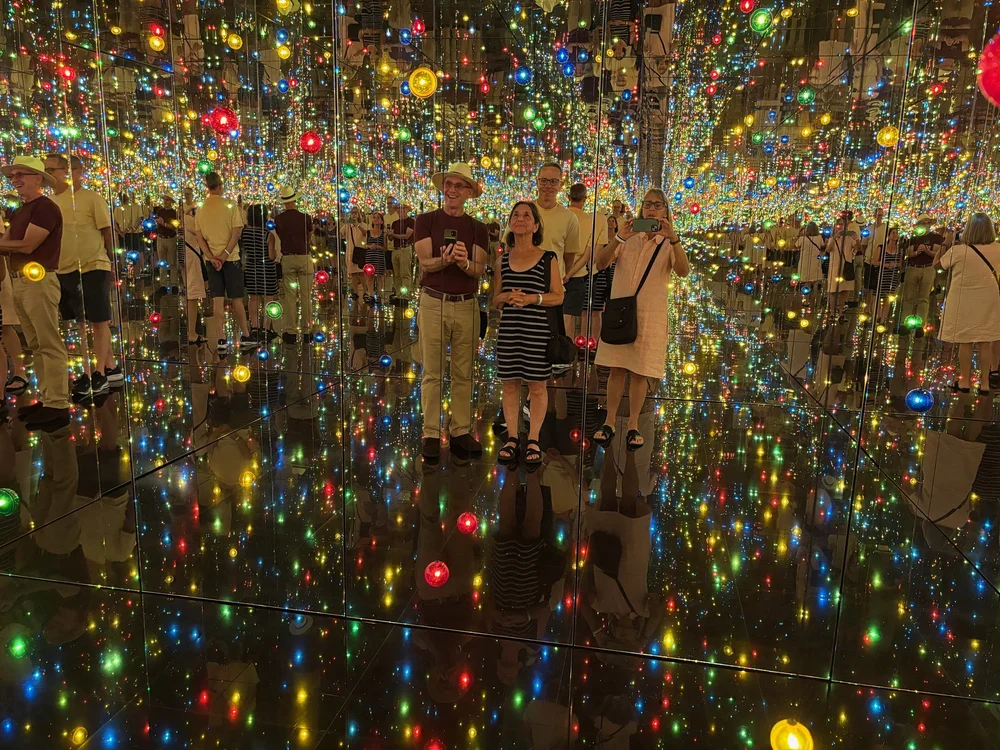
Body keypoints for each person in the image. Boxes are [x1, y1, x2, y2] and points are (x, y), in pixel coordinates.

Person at [592, 188, 689, 451]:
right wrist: (619, 238)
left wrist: (674, 239)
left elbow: (683, 271)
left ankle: (633, 423)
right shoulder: (628, 236)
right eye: (647, 205)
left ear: (666, 211)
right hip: (620, 313)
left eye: (658, 205)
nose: (651, 209)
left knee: (639, 372)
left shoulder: (669, 242)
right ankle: (610, 420)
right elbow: (600, 264)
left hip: (651, 315)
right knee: (616, 369)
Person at [415, 162, 488, 462]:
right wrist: (445, 260)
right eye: (449, 184)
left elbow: (480, 269)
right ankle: (430, 431)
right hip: (433, 302)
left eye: (459, 185)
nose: (452, 190)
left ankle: (460, 429)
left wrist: (464, 263)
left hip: (467, 304)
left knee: (463, 372)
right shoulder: (426, 220)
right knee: (432, 371)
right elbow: (424, 263)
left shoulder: (478, 228)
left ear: (468, 192)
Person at [0, 155, 71, 429]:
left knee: (48, 342)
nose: (15, 180)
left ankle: (58, 404)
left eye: (20, 175)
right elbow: (9, 242)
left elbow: (27, 245)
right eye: (12, 176)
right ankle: (48, 398)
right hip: (22, 281)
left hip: (38, 281)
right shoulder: (22, 210)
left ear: (38, 179)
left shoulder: (46, 208)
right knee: (37, 343)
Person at [45, 154, 122, 401]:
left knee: (98, 320)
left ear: (73, 171)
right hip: (64, 268)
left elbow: (107, 232)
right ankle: (108, 366)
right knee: (79, 321)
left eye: (52, 170)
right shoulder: (50, 202)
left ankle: (96, 372)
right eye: (45, 170)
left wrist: (112, 262)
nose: (49, 175)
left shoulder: (91, 198)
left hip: (93, 265)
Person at [493, 201, 564, 466]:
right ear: (510, 223)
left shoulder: (548, 258)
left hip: (537, 331)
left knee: (537, 386)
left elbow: (558, 296)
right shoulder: (502, 260)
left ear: (536, 225)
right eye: (516, 214)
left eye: (526, 215)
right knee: (510, 385)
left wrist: (533, 298)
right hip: (510, 331)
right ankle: (512, 437)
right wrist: (506, 297)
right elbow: (494, 300)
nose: (520, 219)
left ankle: (533, 437)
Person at [934, 212, 1000, 393]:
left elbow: (936, 265)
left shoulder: (958, 251)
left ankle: (964, 382)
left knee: (966, 341)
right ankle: (985, 383)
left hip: (963, 299)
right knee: (985, 341)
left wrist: (946, 242)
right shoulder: (998, 249)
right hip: (989, 299)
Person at [191, 171, 255, 356]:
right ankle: (245, 335)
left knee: (217, 299)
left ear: (207, 187)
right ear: (220, 186)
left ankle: (220, 338)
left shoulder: (201, 209)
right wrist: (225, 255)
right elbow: (236, 232)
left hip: (211, 261)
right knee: (237, 299)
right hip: (231, 259)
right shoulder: (230, 205)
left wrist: (212, 257)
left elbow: (200, 237)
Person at [563, 183, 610, 348]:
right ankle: (567, 353)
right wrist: (569, 274)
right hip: (579, 275)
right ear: (585, 199)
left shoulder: (561, 216)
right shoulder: (592, 221)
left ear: (568, 197)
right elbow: (589, 256)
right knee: (569, 316)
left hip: (554, 272)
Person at [272, 185, 314, 343]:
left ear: (283, 202)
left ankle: (290, 331)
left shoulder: (279, 219)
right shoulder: (305, 217)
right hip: (304, 257)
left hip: (288, 258)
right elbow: (309, 235)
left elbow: (280, 236)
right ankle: (307, 330)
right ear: (295, 200)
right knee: (306, 296)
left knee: (289, 296)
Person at [901, 213, 944, 336]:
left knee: (923, 297)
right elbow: (908, 253)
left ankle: (920, 325)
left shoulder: (936, 238)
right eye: (923, 223)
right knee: (908, 296)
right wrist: (916, 252)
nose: (926, 225)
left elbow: (936, 253)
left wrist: (926, 250)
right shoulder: (912, 239)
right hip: (913, 267)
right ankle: (905, 323)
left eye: (928, 223)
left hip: (928, 268)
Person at [240, 203, 278, 339]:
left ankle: (255, 327)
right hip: (267, 268)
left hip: (251, 268)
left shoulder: (244, 233)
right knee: (269, 299)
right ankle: (267, 328)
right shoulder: (268, 235)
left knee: (253, 298)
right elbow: (272, 256)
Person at [181, 200, 208, 346]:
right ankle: (191, 333)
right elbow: (202, 236)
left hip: (186, 258)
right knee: (193, 295)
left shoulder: (181, 221)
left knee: (190, 294)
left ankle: (191, 330)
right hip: (193, 259)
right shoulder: (190, 221)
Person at [825, 214, 860, 323]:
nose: (840, 227)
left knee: (844, 291)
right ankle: (831, 313)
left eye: (842, 225)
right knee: (833, 291)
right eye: (838, 225)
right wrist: (835, 237)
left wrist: (857, 239)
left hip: (846, 267)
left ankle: (841, 313)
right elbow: (828, 249)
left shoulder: (849, 238)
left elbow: (858, 249)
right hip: (834, 267)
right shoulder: (833, 238)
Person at [867, 227, 902, 325]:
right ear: (889, 235)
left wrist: (895, 264)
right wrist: (886, 264)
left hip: (892, 276)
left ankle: (883, 319)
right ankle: (877, 317)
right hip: (881, 275)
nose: (895, 235)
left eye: (896, 233)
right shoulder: (881, 247)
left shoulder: (899, 250)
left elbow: (900, 263)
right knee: (878, 297)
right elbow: (874, 261)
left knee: (887, 298)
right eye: (893, 233)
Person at [389, 202, 415, 296]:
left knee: (405, 273)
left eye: (403, 209)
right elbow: (391, 238)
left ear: (407, 210)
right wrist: (390, 235)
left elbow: (407, 236)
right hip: (395, 249)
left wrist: (393, 235)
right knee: (397, 274)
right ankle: (398, 293)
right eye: (398, 209)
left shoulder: (411, 221)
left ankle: (405, 294)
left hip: (405, 248)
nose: (400, 211)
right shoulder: (395, 223)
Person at [153, 192, 179, 288]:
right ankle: (163, 284)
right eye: (164, 199)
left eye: (167, 199)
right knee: (162, 261)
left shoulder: (174, 213)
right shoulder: (160, 211)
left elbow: (174, 226)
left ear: (171, 201)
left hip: (170, 238)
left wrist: (164, 224)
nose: (165, 201)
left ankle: (174, 283)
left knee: (172, 262)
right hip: (161, 238)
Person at [362, 211, 386, 305]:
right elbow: (364, 245)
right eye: (374, 218)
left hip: (379, 256)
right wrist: (369, 246)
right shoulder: (368, 232)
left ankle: (379, 295)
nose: (375, 219)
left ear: (381, 221)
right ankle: (371, 295)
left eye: (378, 218)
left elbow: (385, 247)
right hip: (370, 256)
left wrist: (378, 247)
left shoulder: (383, 233)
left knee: (379, 276)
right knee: (370, 277)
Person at [795, 222, 825, 286]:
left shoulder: (802, 238)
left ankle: (806, 295)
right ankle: (814, 295)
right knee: (815, 280)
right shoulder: (819, 238)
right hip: (815, 261)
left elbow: (795, 245)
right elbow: (822, 246)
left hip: (804, 261)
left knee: (807, 281)